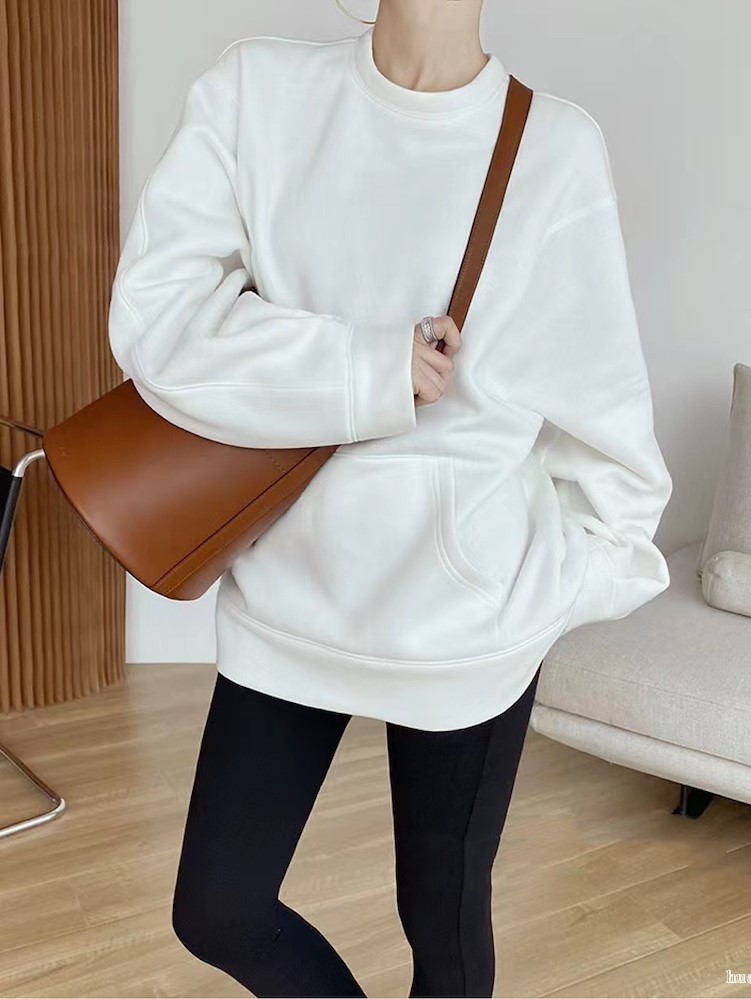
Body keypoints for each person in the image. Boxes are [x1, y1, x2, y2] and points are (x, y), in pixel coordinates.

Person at [107, 1, 673, 995]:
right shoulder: (258, 93)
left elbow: (611, 439)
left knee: (441, 925)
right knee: (219, 906)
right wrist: (369, 368)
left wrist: (532, 591)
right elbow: (156, 323)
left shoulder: (554, 148)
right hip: (291, 597)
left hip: (467, 632)